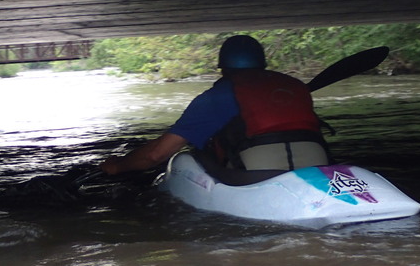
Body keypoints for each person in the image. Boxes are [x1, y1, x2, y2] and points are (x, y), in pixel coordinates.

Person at [100, 35, 330, 184]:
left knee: (186, 157)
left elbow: (155, 155)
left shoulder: (215, 97)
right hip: (317, 165)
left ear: (222, 68)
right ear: (262, 63)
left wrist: (118, 166)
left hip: (255, 173)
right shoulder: (294, 87)